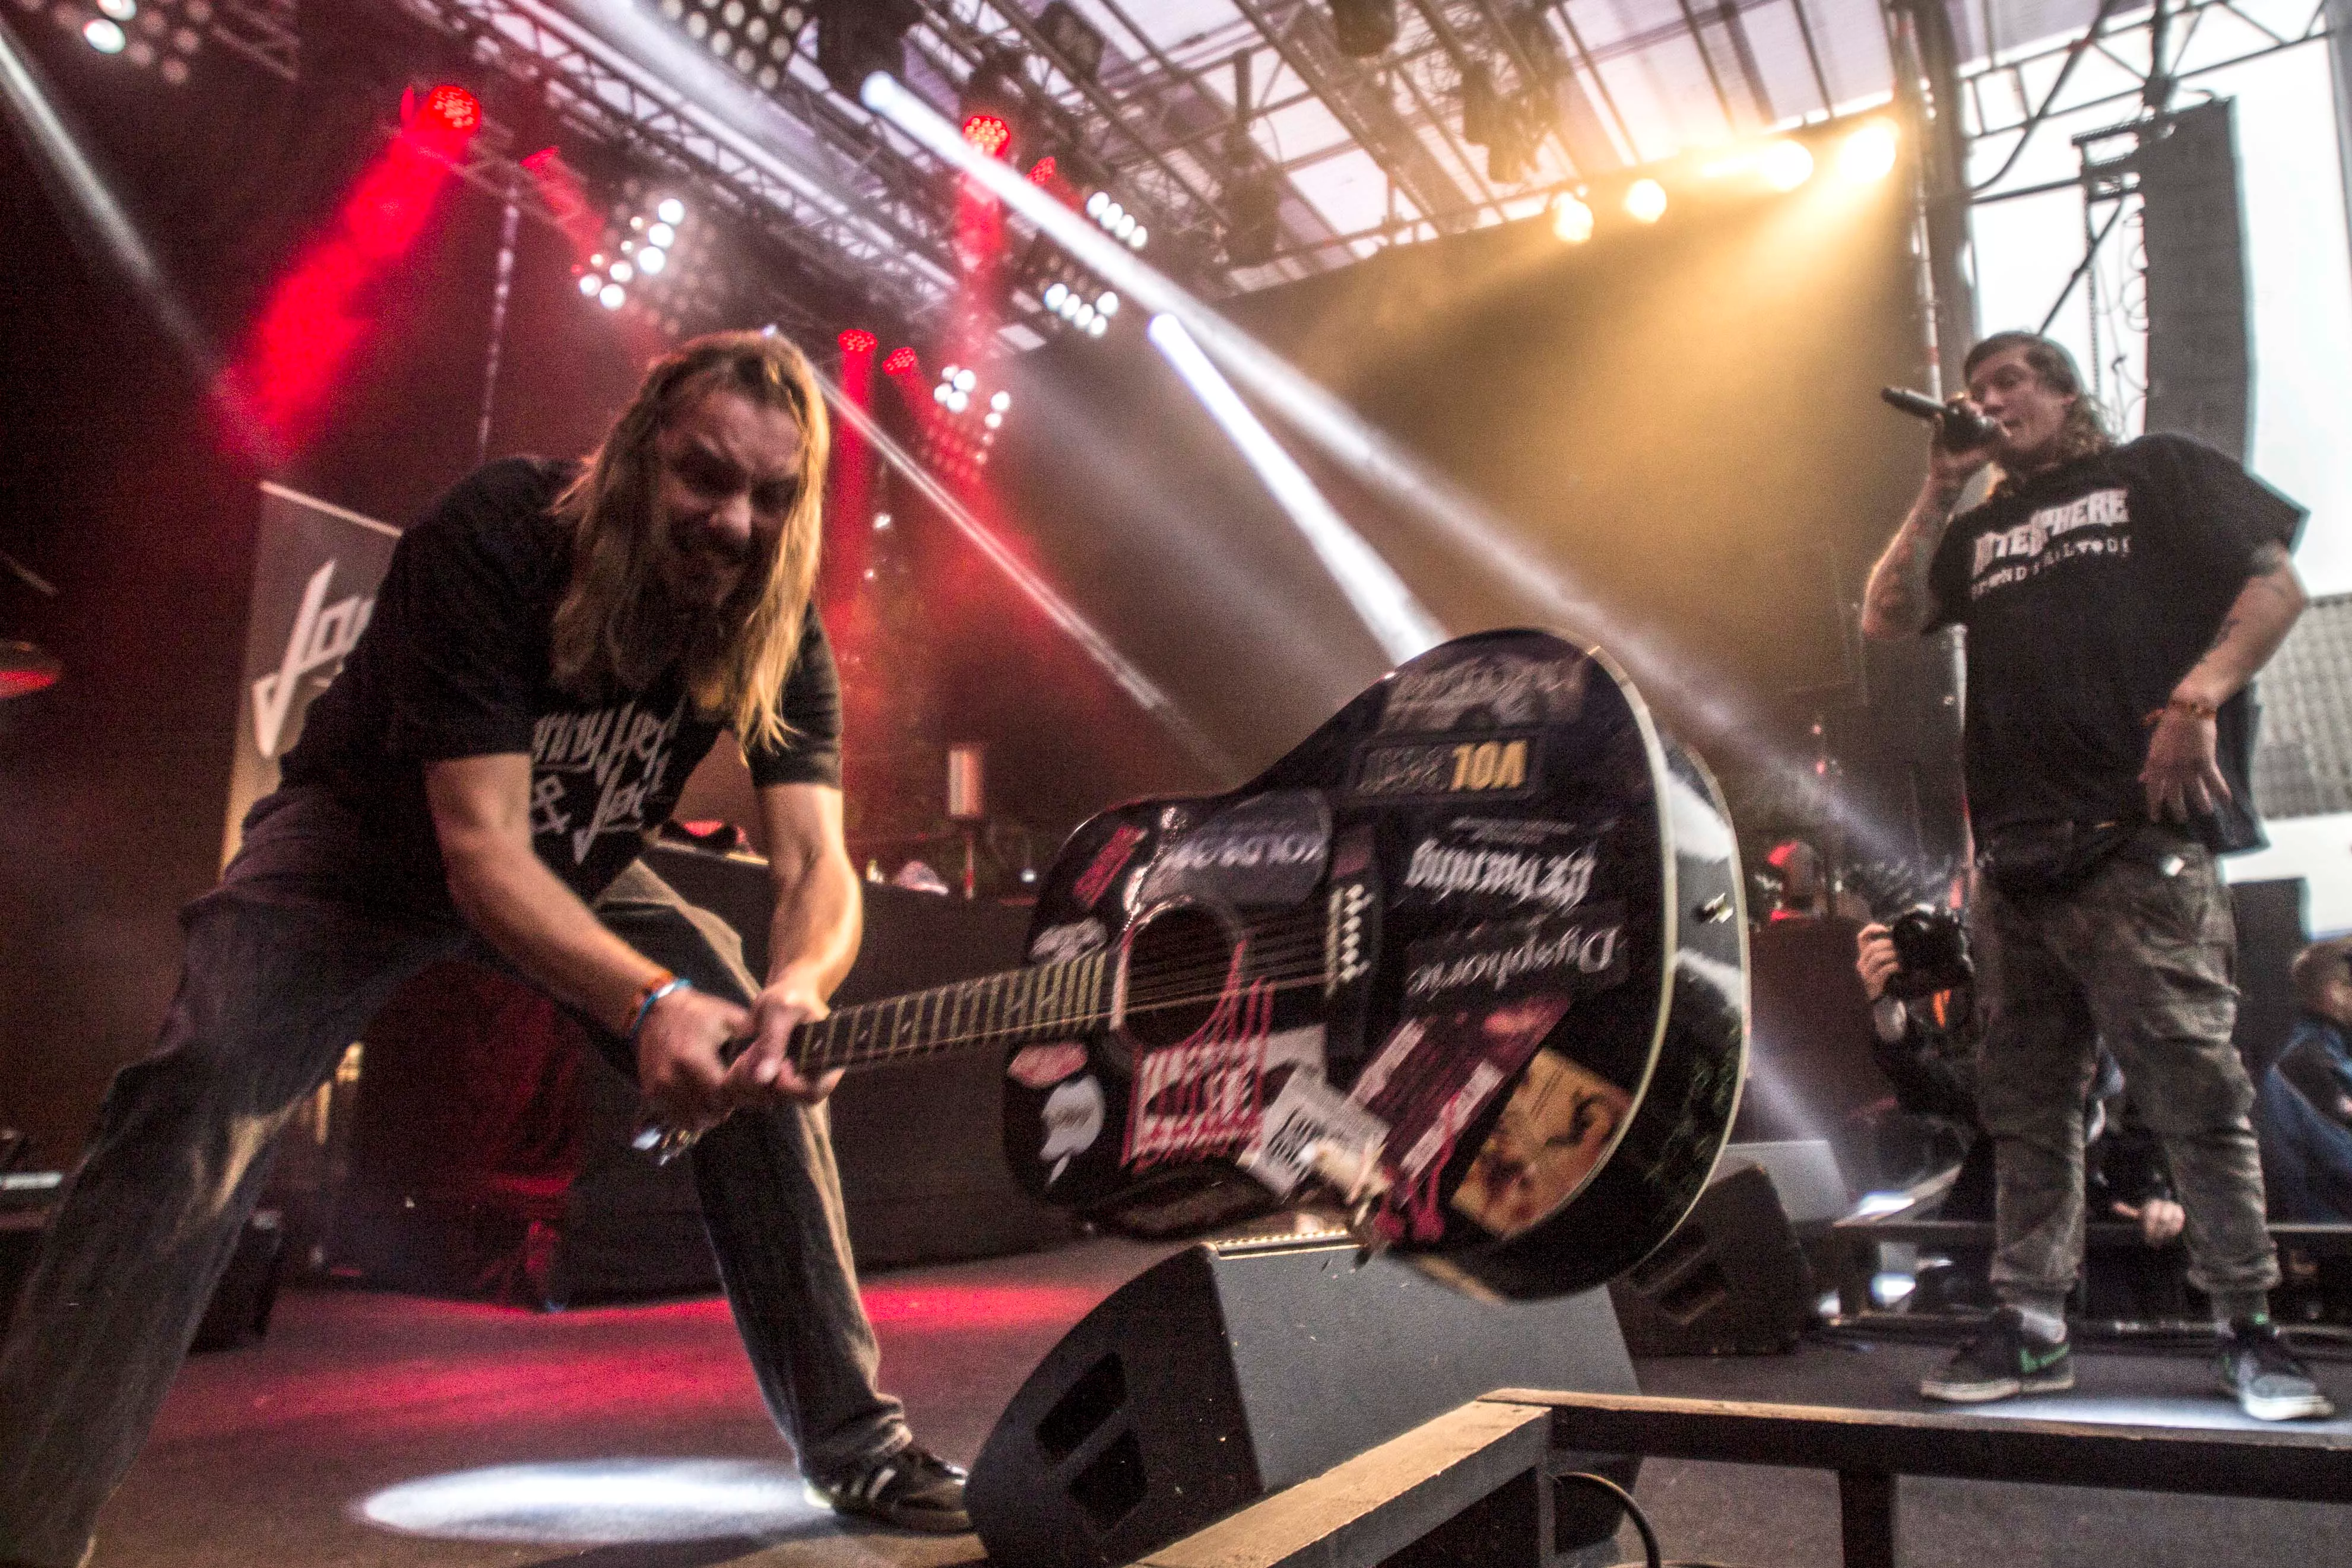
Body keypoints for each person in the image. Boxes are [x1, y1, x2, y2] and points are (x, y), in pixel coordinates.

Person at [0, 332, 968, 1567]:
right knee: (197, 1093)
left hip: (566, 862)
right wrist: (649, 1000)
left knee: (752, 1045)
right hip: (365, 848)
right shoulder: (499, 536)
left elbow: (815, 863)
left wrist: (796, 985)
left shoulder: (771, 621)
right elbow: (482, 857)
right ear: (637, 453)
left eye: (772, 496)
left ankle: (856, 1444)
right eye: (706, 476)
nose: (735, 522)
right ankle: (25, 1521)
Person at [1859, 329, 2329, 1420]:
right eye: (1975, 389)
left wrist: (2195, 698)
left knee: (2192, 1091)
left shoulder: (2152, 472)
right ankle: (2030, 1326)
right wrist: (1940, 482)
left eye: (2009, 382)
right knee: (2024, 1105)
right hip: (2015, 861)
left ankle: (2248, 1326)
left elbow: (2276, 586)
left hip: (2133, 838)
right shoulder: (1979, 528)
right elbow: (1886, 614)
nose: (1988, 400)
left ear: (2065, 393)